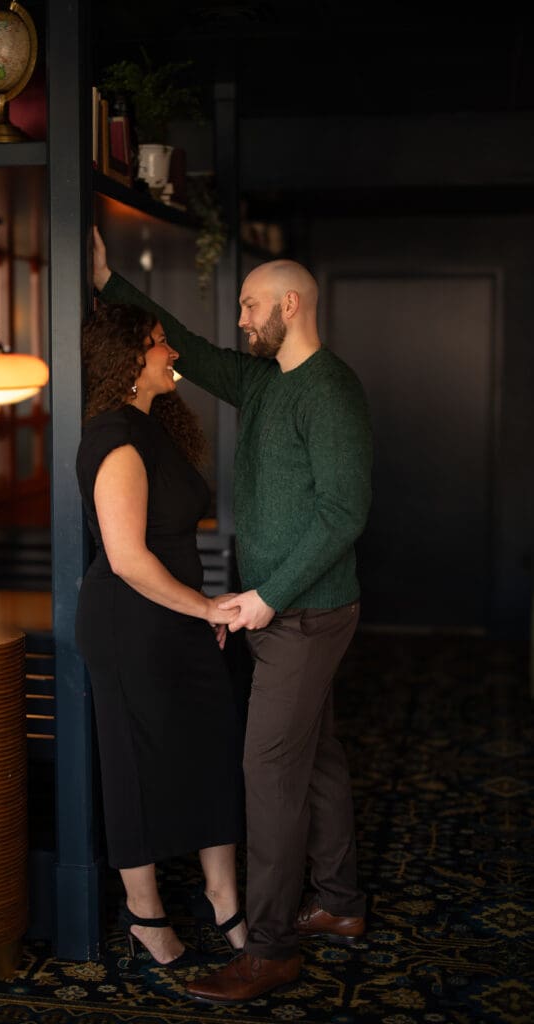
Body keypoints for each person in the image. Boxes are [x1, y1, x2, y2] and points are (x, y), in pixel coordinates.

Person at [91, 227, 373, 1002]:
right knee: (312, 756)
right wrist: (113, 282)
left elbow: (344, 511)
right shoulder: (260, 380)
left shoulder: (330, 389)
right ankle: (340, 903)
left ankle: (273, 946)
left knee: (267, 770)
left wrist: (268, 597)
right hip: (274, 612)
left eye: (249, 305)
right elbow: (177, 343)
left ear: (290, 304)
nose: (240, 319)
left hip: (304, 612)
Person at [75, 301, 248, 967]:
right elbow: (127, 559)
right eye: (156, 345)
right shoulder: (113, 436)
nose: (170, 354)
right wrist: (205, 610)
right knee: (134, 763)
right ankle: (145, 915)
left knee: (210, 747)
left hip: (173, 612)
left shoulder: (152, 428)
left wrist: (197, 608)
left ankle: (222, 895)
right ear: (125, 361)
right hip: (130, 623)